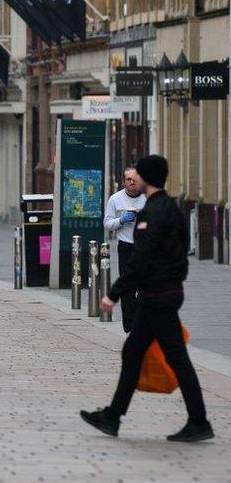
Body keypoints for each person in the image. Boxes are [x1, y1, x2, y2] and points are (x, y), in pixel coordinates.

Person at [80, 155, 214, 443]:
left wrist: (113, 294)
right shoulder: (170, 207)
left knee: (178, 359)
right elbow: (181, 252)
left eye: (137, 175)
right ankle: (112, 417)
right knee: (133, 354)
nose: (133, 180)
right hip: (163, 293)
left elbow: (141, 259)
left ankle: (199, 421)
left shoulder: (154, 212)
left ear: (146, 178)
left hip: (158, 296)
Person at [103, 167, 146, 332]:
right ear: (123, 182)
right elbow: (107, 224)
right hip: (126, 247)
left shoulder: (147, 199)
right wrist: (121, 220)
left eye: (134, 179)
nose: (132, 182)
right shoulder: (115, 199)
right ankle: (131, 326)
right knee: (128, 289)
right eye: (128, 179)